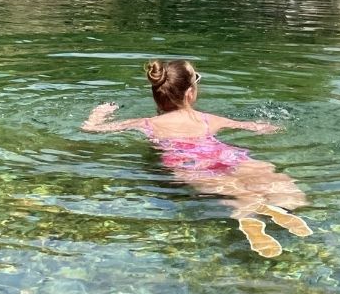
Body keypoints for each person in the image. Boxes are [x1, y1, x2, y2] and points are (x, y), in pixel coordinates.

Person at [81, 59, 311, 257]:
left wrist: (99, 113)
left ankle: (248, 216)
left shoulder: (147, 124)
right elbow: (258, 127)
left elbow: (90, 129)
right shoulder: (208, 119)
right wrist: (270, 126)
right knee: (272, 179)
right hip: (228, 155)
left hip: (189, 162)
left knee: (235, 193)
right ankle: (279, 209)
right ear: (191, 93)